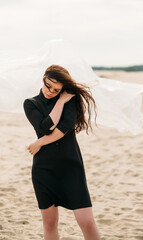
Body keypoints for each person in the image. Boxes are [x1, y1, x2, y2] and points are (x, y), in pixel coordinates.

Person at [23, 64, 101, 240]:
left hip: (70, 167)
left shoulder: (69, 100)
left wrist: (39, 142)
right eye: (48, 85)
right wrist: (60, 101)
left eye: (56, 90)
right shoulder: (30, 103)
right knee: (49, 224)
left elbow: (63, 129)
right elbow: (47, 127)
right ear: (43, 78)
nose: (50, 91)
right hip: (44, 169)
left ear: (63, 89)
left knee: (87, 222)